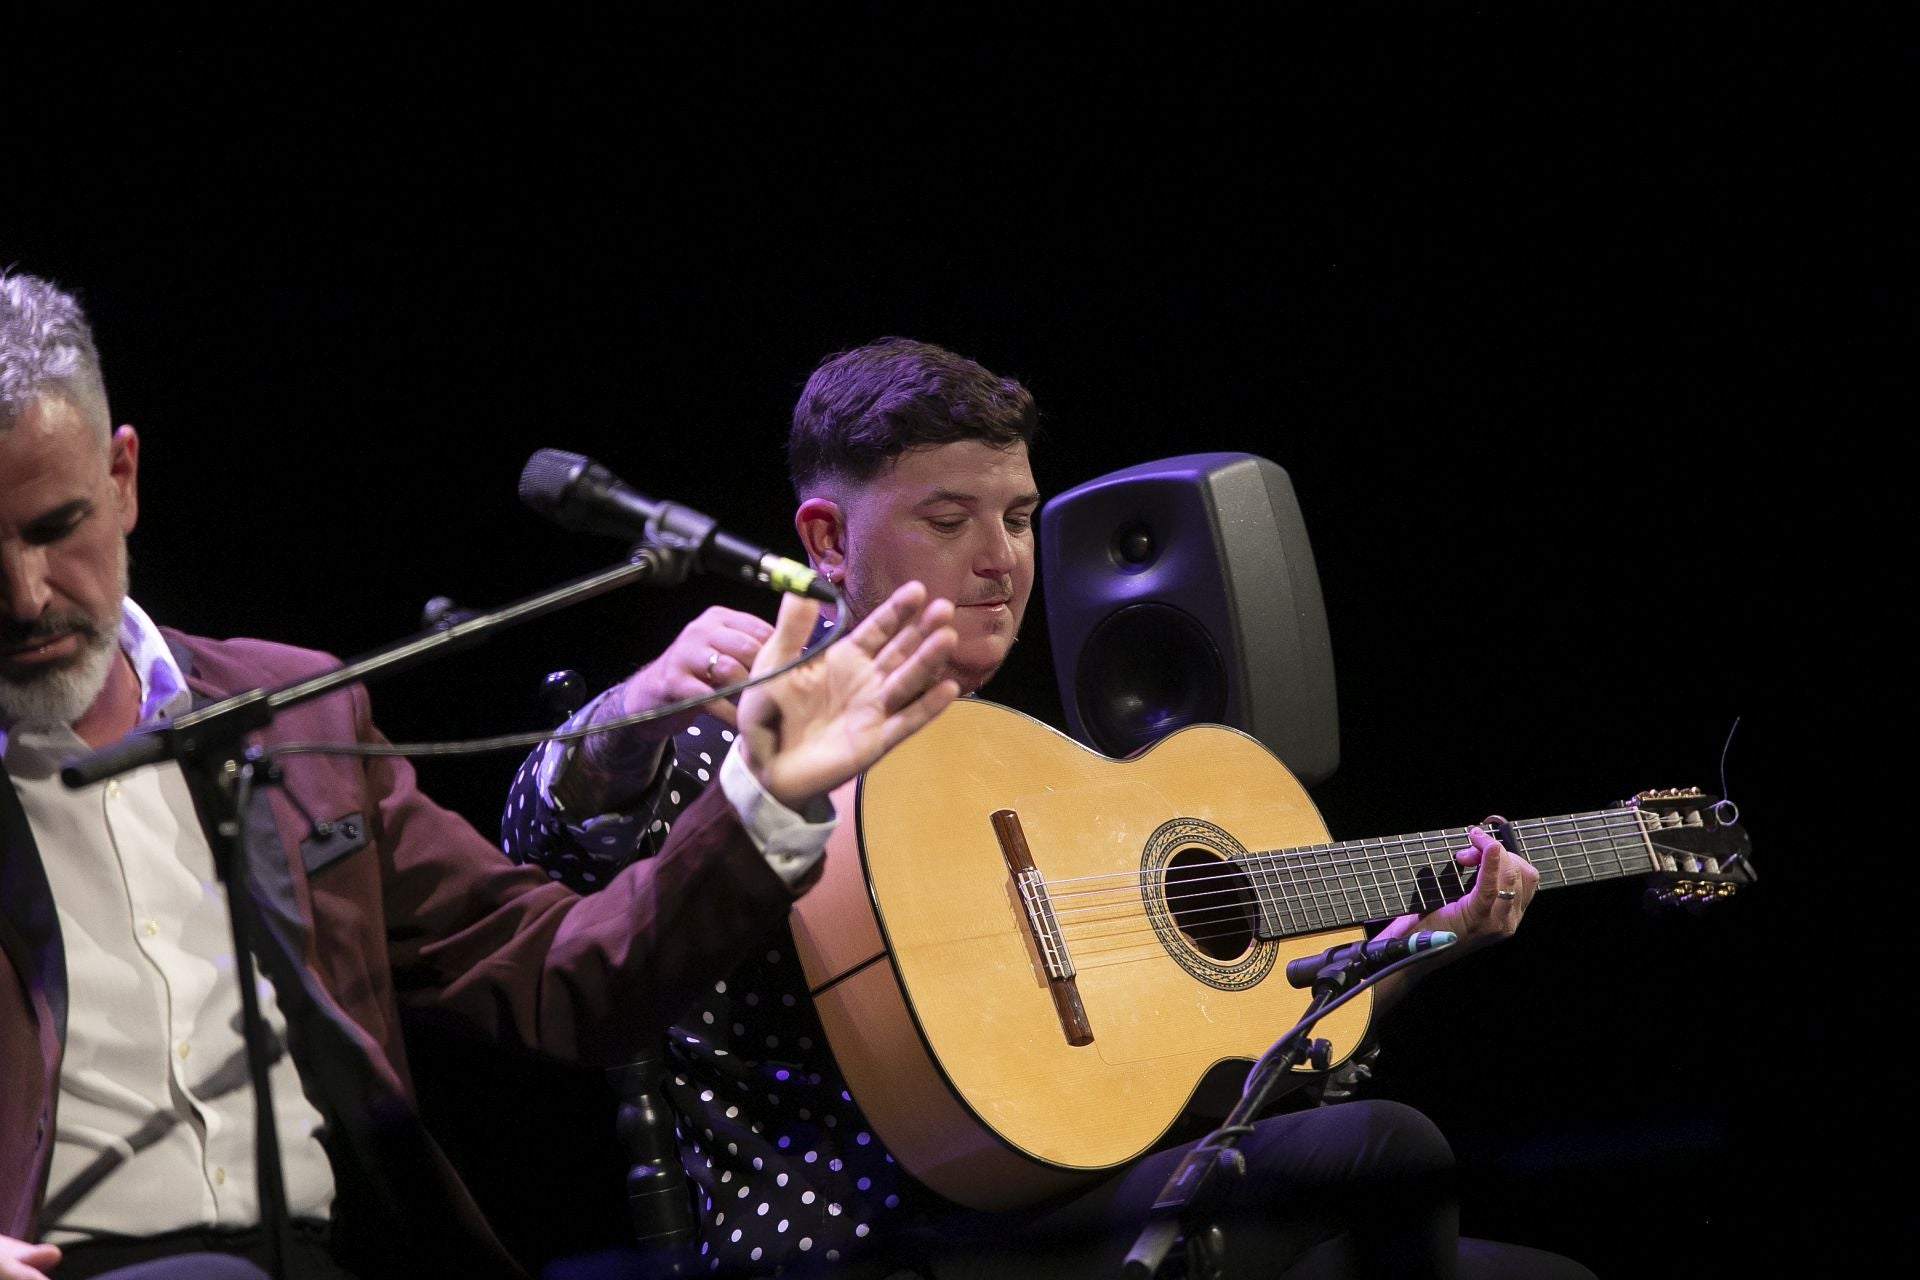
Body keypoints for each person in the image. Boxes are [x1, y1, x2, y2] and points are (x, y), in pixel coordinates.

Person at [502, 338, 1599, 1278]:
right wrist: (632, 713)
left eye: (1020, 518)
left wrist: (1399, 955)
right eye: (948, 518)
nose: (1001, 560)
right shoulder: (748, 727)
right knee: (1388, 1153)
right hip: (867, 1237)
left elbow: (1192, 1069)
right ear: (828, 541)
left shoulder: (1023, 758)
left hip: (1064, 1196)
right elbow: (540, 846)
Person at [0, 272, 963, 1280]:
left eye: (54, 527)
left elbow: (558, 967)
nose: (24, 595)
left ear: (123, 478)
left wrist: (763, 797)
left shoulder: (292, 707)